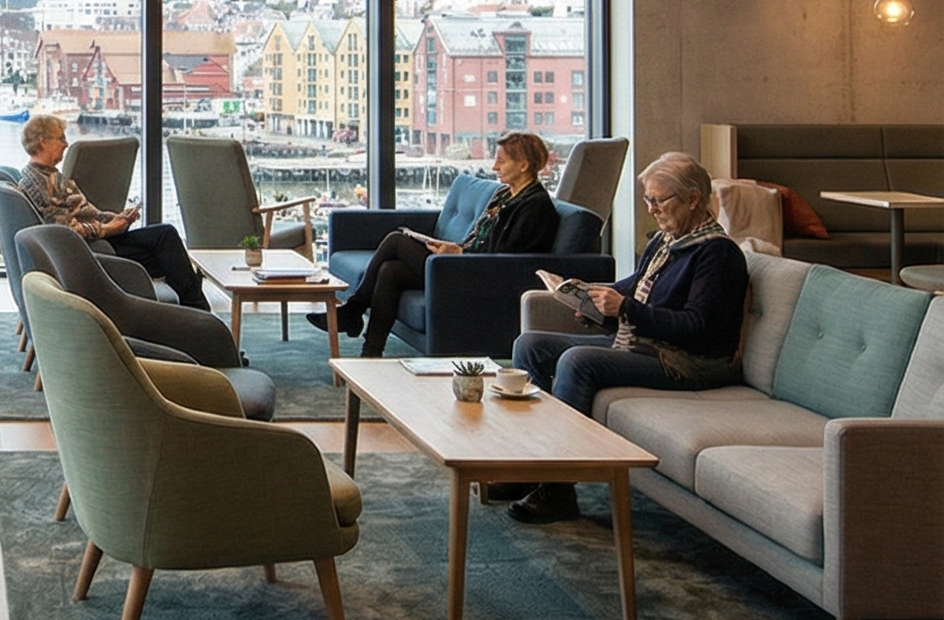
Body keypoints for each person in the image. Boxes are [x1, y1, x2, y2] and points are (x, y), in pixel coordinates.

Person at [505, 150, 747, 524]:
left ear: (694, 200)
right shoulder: (666, 242)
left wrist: (625, 309)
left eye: (659, 199)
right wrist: (586, 296)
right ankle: (530, 465)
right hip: (646, 346)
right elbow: (631, 288)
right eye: (648, 199)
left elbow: (698, 328)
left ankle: (558, 486)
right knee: (531, 344)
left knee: (577, 361)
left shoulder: (716, 254)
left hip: (688, 361)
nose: (651, 208)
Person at [310, 131, 561, 358]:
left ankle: (353, 311)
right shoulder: (505, 195)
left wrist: (460, 252)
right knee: (391, 271)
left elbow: (503, 256)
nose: (495, 166)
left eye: (502, 161)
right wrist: (454, 247)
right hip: (463, 263)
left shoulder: (535, 206)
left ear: (524, 165)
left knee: (397, 239)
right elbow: (479, 239)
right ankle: (371, 351)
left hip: (479, 275)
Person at [16, 112, 211, 311]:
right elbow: (64, 231)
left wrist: (114, 218)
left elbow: (83, 214)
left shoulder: (46, 176)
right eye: (61, 138)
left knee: (167, 250)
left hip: (97, 243)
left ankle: (187, 310)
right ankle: (197, 310)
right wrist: (107, 229)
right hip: (94, 250)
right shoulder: (41, 183)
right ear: (43, 142)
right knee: (166, 240)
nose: (66, 144)